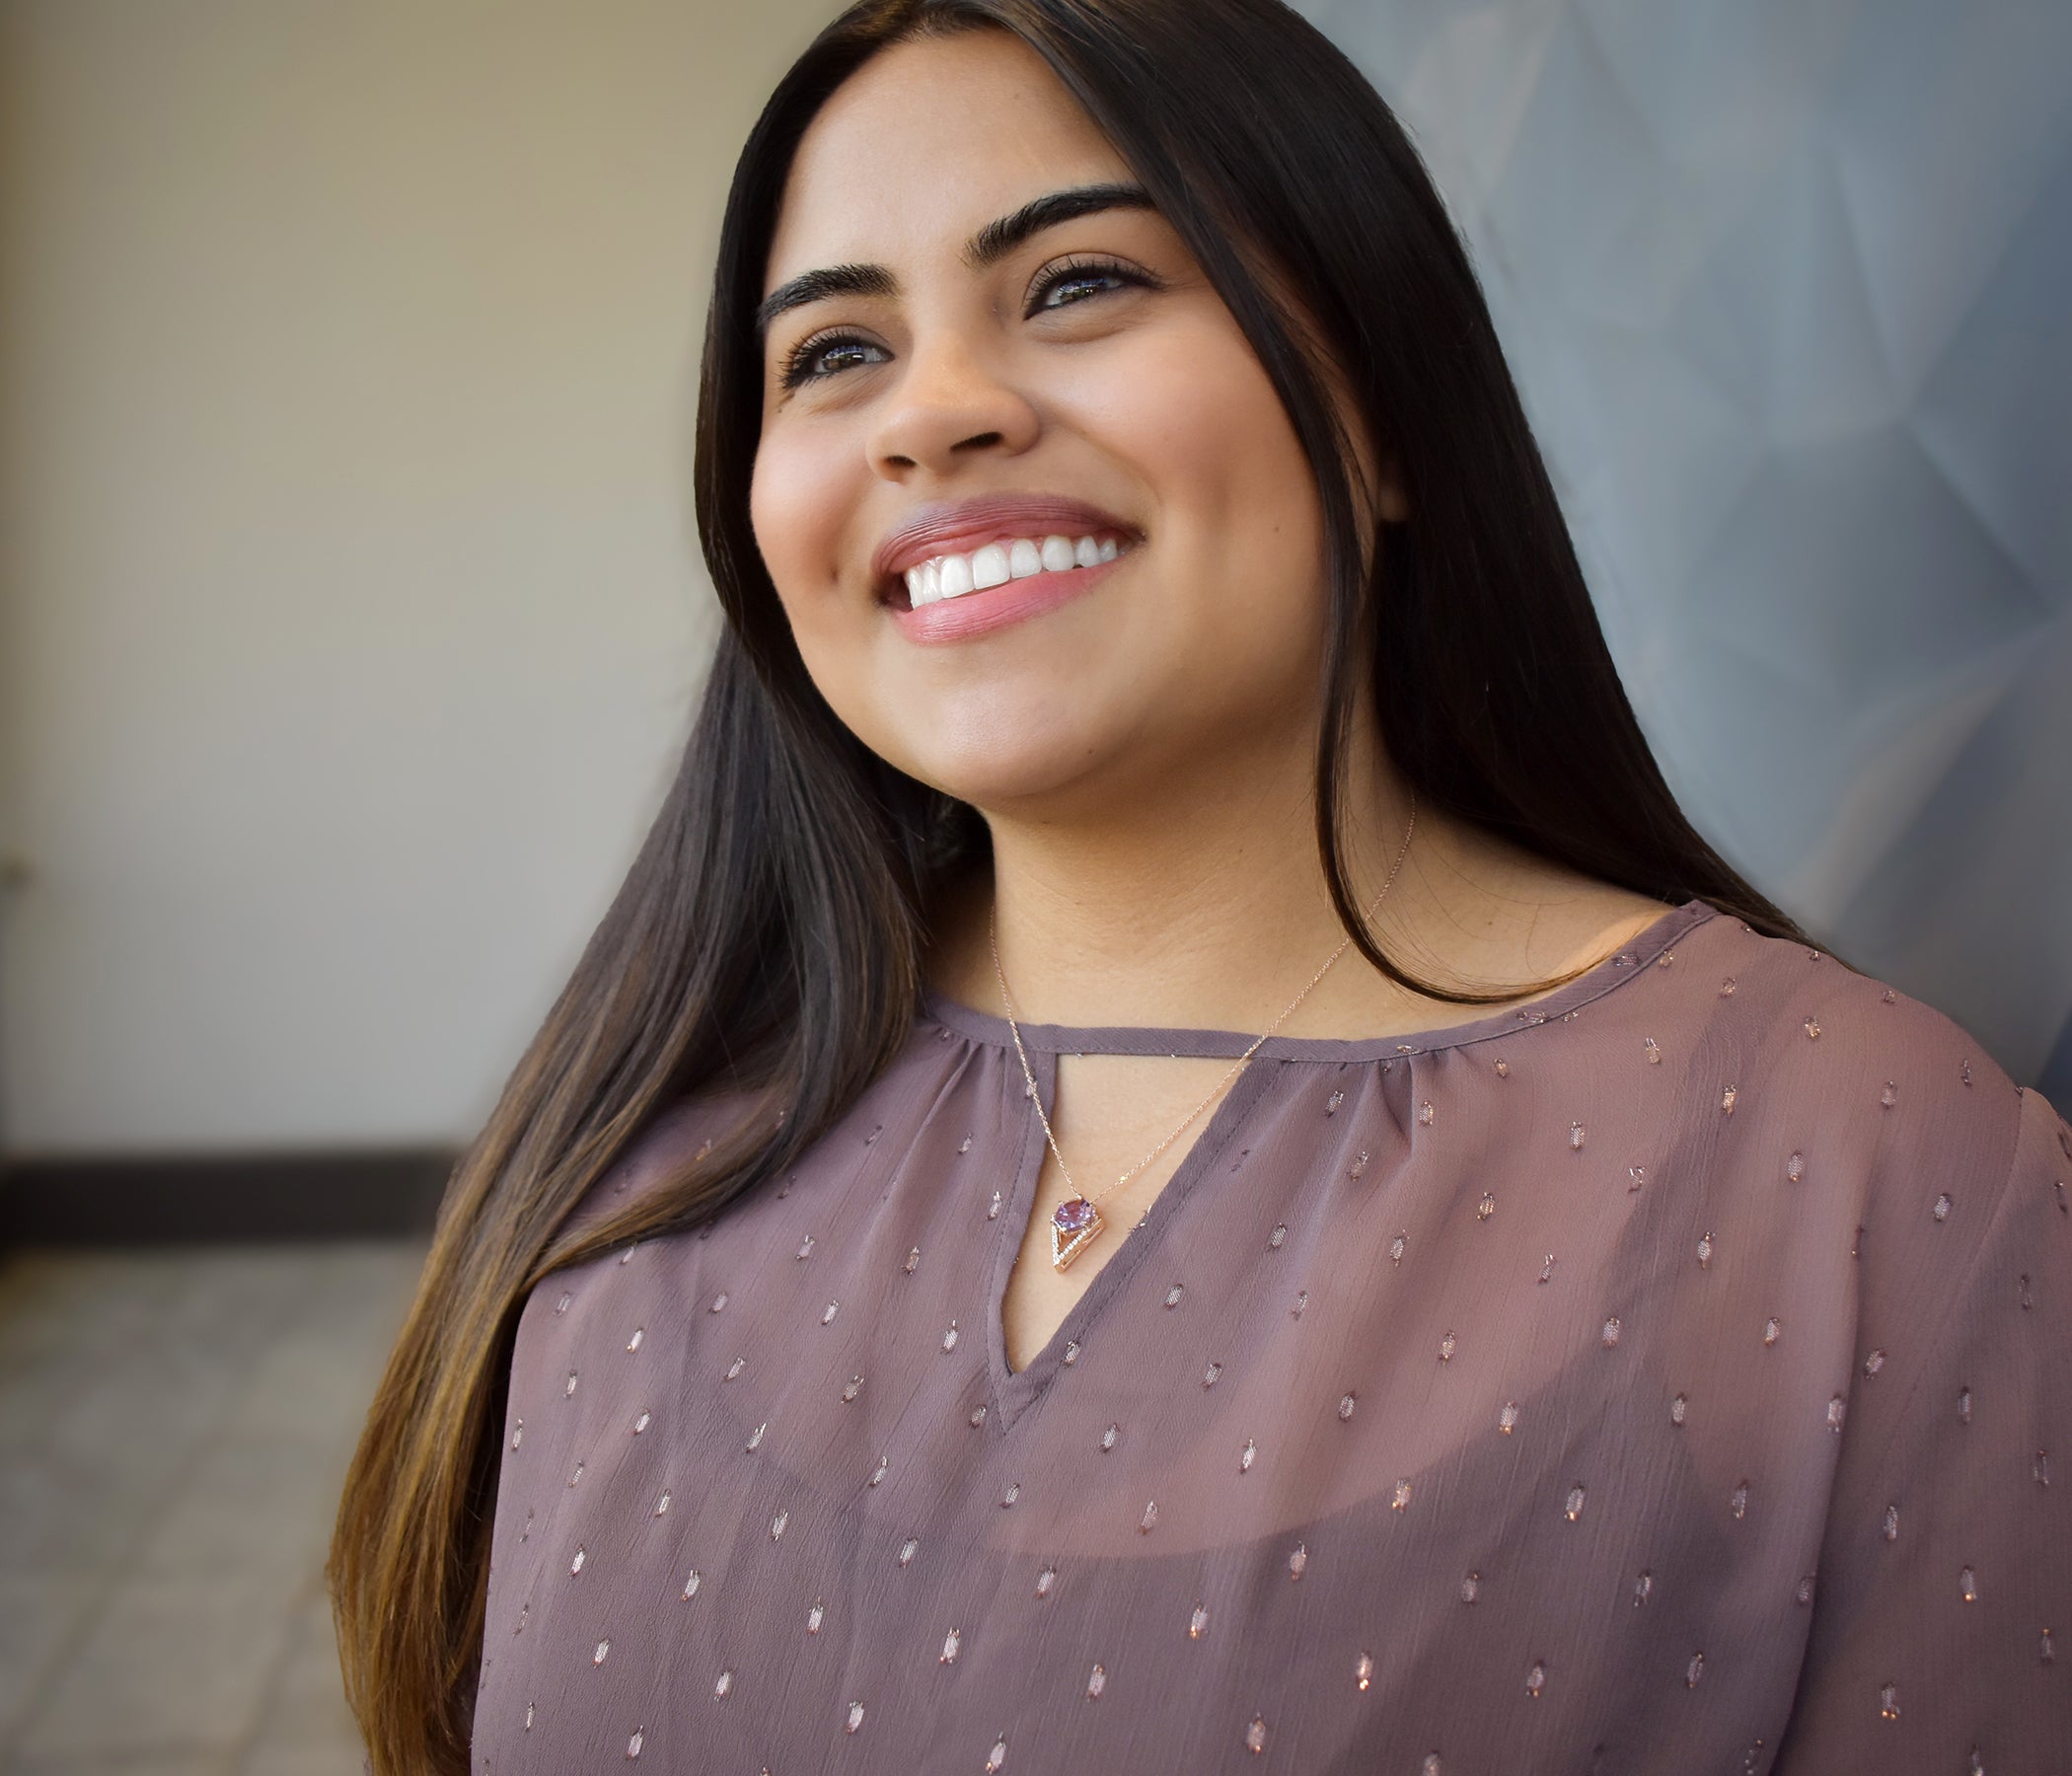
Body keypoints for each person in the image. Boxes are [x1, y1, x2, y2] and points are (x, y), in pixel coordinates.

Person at [330, 2, 2072, 1770]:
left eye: (1079, 283)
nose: (929, 415)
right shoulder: (648, 1139)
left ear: (1386, 412)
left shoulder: (1871, 1170)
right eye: (833, 352)